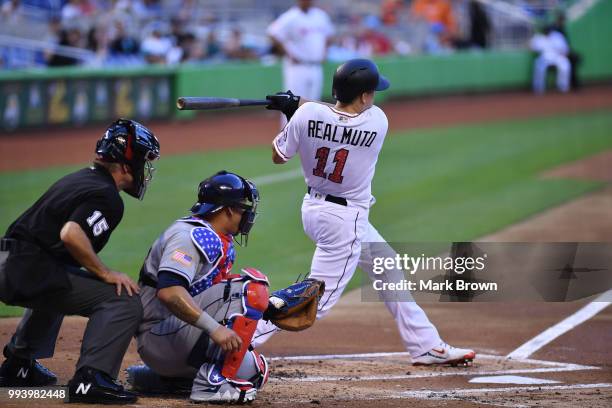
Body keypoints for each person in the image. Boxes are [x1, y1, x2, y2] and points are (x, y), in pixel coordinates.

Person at [257, 59, 476, 366]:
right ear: (362, 96)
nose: (373, 96)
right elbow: (338, 117)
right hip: (345, 222)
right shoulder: (377, 121)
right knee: (311, 302)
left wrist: (294, 109)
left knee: (387, 265)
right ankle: (236, 339)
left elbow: (279, 156)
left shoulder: (307, 115)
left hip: (314, 210)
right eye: (370, 91)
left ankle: (425, 345)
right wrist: (299, 104)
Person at [0, 119, 160, 404]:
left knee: (64, 277)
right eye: (144, 160)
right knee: (121, 298)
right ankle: (91, 380)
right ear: (127, 164)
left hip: (11, 262)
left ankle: (18, 366)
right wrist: (106, 272)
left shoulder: (81, 177)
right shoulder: (108, 196)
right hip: (24, 269)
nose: (144, 169)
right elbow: (71, 234)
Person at [126, 171, 270, 404]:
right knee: (252, 288)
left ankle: (165, 380)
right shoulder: (191, 236)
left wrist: (275, 307)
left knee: (254, 371)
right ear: (228, 210)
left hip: (174, 336)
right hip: (158, 335)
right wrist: (214, 329)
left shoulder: (215, 236)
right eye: (244, 207)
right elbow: (169, 292)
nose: (248, 214)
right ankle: (208, 386)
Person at [267, 0, 335, 102]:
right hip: (297, 67)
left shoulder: (320, 15)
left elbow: (329, 35)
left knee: (314, 103)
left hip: (316, 66)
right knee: (293, 102)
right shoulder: (290, 16)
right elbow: (272, 33)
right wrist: (287, 53)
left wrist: (325, 51)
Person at [530, 25, 571, 94]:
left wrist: (564, 54)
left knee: (565, 65)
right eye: (546, 31)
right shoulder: (539, 38)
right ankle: (538, 88)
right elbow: (532, 48)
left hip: (557, 57)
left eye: (548, 31)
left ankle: (563, 87)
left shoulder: (557, 37)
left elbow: (565, 49)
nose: (547, 32)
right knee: (539, 67)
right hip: (544, 57)